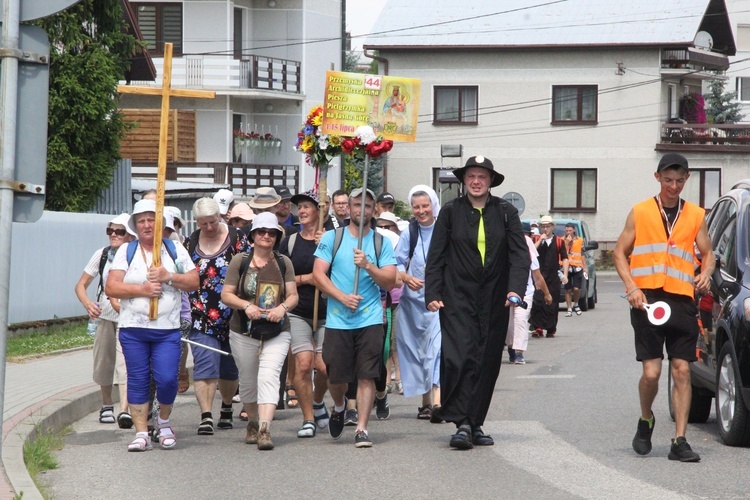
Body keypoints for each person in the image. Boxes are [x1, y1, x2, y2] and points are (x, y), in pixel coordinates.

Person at [613, 153, 714, 463]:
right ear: (657, 178)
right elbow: (619, 253)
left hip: (682, 299)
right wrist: (632, 287)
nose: (674, 186)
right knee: (652, 373)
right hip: (647, 300)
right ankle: (646, 420)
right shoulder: (640, 212)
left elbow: (707, 253)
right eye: (668, 180)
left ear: (686, 180)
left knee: (683, 369)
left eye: (680, 180)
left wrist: (706, 273)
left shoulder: (696, 214)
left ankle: (679, 440)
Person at [425, 155, 529, 450]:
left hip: (495, 298)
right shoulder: (450, 212)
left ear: (490, 181)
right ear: (463, 180)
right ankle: (462, 421)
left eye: (481, 176)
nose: (476, 181)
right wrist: (432, 293)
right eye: (470, 176)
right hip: (457, 297)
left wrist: (515, 291)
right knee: (459, 357)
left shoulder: (505, 212)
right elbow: (437, 257)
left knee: (486, 360)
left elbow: (519, 255)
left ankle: (474, 422)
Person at [105, 199, 200, 451]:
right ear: (135, 225)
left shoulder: (174, 249)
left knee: (168, 378)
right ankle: (141, 432)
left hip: (167, 328)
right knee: (137, 379)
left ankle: (164, 421)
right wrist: (143, 289)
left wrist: (169, 276)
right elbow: (112, 286)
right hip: (132, 328)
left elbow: (193, 281)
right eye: (142, 221)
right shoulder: (127, 251)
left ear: (160, 224)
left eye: (151, 220)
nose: (147, 225)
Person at [312, 187, 397, 448]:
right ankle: (339, 406)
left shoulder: (381, 241)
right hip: (338, 318)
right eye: (357, 205)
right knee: (335, 375)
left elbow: (391, 281)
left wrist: (369, 266)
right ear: (348, 208)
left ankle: (362, 428)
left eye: (368, 206)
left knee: (366, 374)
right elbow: (318, 275)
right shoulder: (332, 238)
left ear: (374, 211)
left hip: (370, 317)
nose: (362, 210)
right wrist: (341, 297)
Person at [221, 212, 298, 450]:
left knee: (269, 376)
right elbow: (227, 294)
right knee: (247, 380)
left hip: (277, 329)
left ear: (277, 236)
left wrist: (283, 308)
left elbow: (293, 295)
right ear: (253, 235)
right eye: (262, 232)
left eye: (271, 233)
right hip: (243, 330)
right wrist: (246, 306)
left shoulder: (284, 262)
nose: (266, 236)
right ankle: (252, 422)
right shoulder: (240, 261)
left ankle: (265, 429)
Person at [185, 197, 249, 436]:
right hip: (201, 314)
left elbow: (251, 269)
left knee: (230, 368)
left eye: (212, 222)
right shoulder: (190, 242)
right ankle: (206, 416)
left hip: (234, 313)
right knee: (204, 364)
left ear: (220, 217)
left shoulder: (237, 238)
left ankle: (226, 406)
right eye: (203, 224)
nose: (209, 228)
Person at [74, 213, 135, 429]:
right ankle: (106, 404)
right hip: (105, 317)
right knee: (103, 362)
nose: (113, 235)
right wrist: (88, 304)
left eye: (119, 231)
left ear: (130, 235)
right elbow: (81, 285)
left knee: (125, 365)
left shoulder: (135, 254)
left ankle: (124, 410)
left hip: (129, 318)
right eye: (110, 230)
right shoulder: (102, 254)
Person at [278, 190, 331, 437]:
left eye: (308, 206)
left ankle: (318, 401)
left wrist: (326, 246)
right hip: (299, 310)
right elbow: (280, 278)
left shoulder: (331, 239)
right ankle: (308, 417)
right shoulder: (289, 241)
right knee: (303, 364)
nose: (302, 211)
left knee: (324, 366)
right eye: (300, 207)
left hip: (328, 310)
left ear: (320, 211)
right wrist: (306, 278)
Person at [396, 186, 443, 420]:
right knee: (417, 352)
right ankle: (425, 402)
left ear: (433, 204)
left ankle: (437, 402)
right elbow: (396, 263)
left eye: (425, 206)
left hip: (438, 300)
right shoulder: (409, 232)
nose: (421, 211)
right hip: (412, 303)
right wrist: (405, 277)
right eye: (417, 207)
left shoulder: (445, 229)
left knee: (436, 349)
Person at [507, 233, 552, 365]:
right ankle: (511, 347)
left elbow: (537, 277)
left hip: (525, 293)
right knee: (509, 325)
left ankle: (519, 352)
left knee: (520, 320)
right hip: (506, 293)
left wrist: (547, 294)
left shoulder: (529, 255)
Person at [530, 215, 568, 338]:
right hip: (539, 275)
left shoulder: (558, 241)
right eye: (543, 226)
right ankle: (538, 327)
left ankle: (551, 329)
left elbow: (565, 258)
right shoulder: (536, 239)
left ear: (552, 227)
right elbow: (530, 252)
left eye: (547, 226)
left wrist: (565, 274)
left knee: (552, 302)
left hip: (553, 276)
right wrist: (540, 240)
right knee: (538, 301)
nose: (545, 229)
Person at [563, 223, 588, 317]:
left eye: (570, 230)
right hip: (566, 268)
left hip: (578, 267)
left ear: (574, 230)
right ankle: (569, 308)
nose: (568, 232)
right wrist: (566, 243)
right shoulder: (562, 240)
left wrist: (585, 267)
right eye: (566, 230)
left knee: (577, 289)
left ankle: (576, 303)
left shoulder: (580, 240)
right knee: (568, 289)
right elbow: (562, 253)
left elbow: (582, 254)